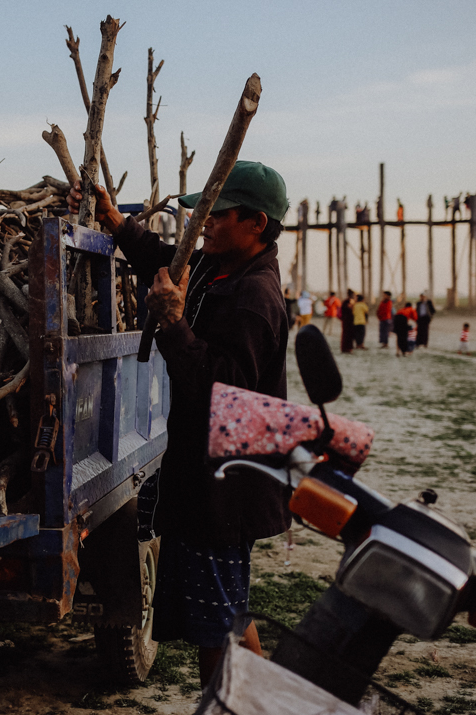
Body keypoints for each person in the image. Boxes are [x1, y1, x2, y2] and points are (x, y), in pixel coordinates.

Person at [67, 161, 290, 687]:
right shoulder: (223, 269)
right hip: (208, 480)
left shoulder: (256, 297)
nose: (203, 221)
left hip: (226, 491)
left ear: (256, 223)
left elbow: (221, 393)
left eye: (216, 213)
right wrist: (119, 226)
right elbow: (168, 260)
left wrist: (172, 324)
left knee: (221, 630)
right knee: (227, 617)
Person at [340, 289, 355, 354]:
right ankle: (346, 348)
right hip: (347, 321)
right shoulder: (348, 302)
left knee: (348, 334)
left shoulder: (346, 301)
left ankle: (348, 347)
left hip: (348, 320)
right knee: (347, 335)